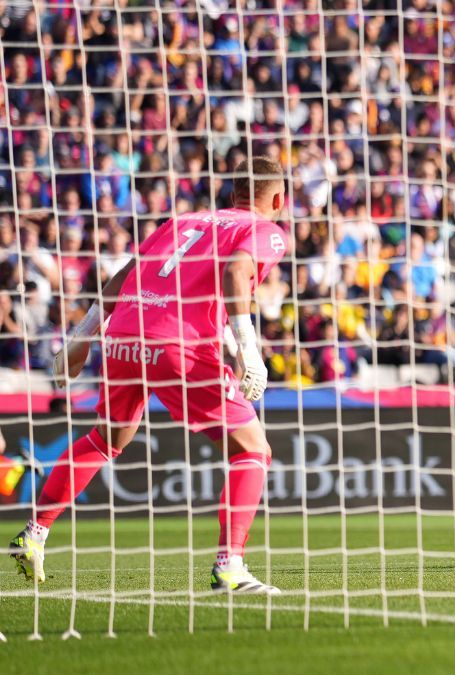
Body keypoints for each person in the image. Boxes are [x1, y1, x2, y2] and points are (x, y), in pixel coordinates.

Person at [9, 158, 290, 594]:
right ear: (278, 199)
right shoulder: (266, 230)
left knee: (106, 439)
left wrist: (82, 336)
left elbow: (124, 275)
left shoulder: (184, 221)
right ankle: (230, 564)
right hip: (175, 344)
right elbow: (236, 270)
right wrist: (249, 348)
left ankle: (35, 533)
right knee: (253, 449)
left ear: (232, 192)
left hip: (123, 334)